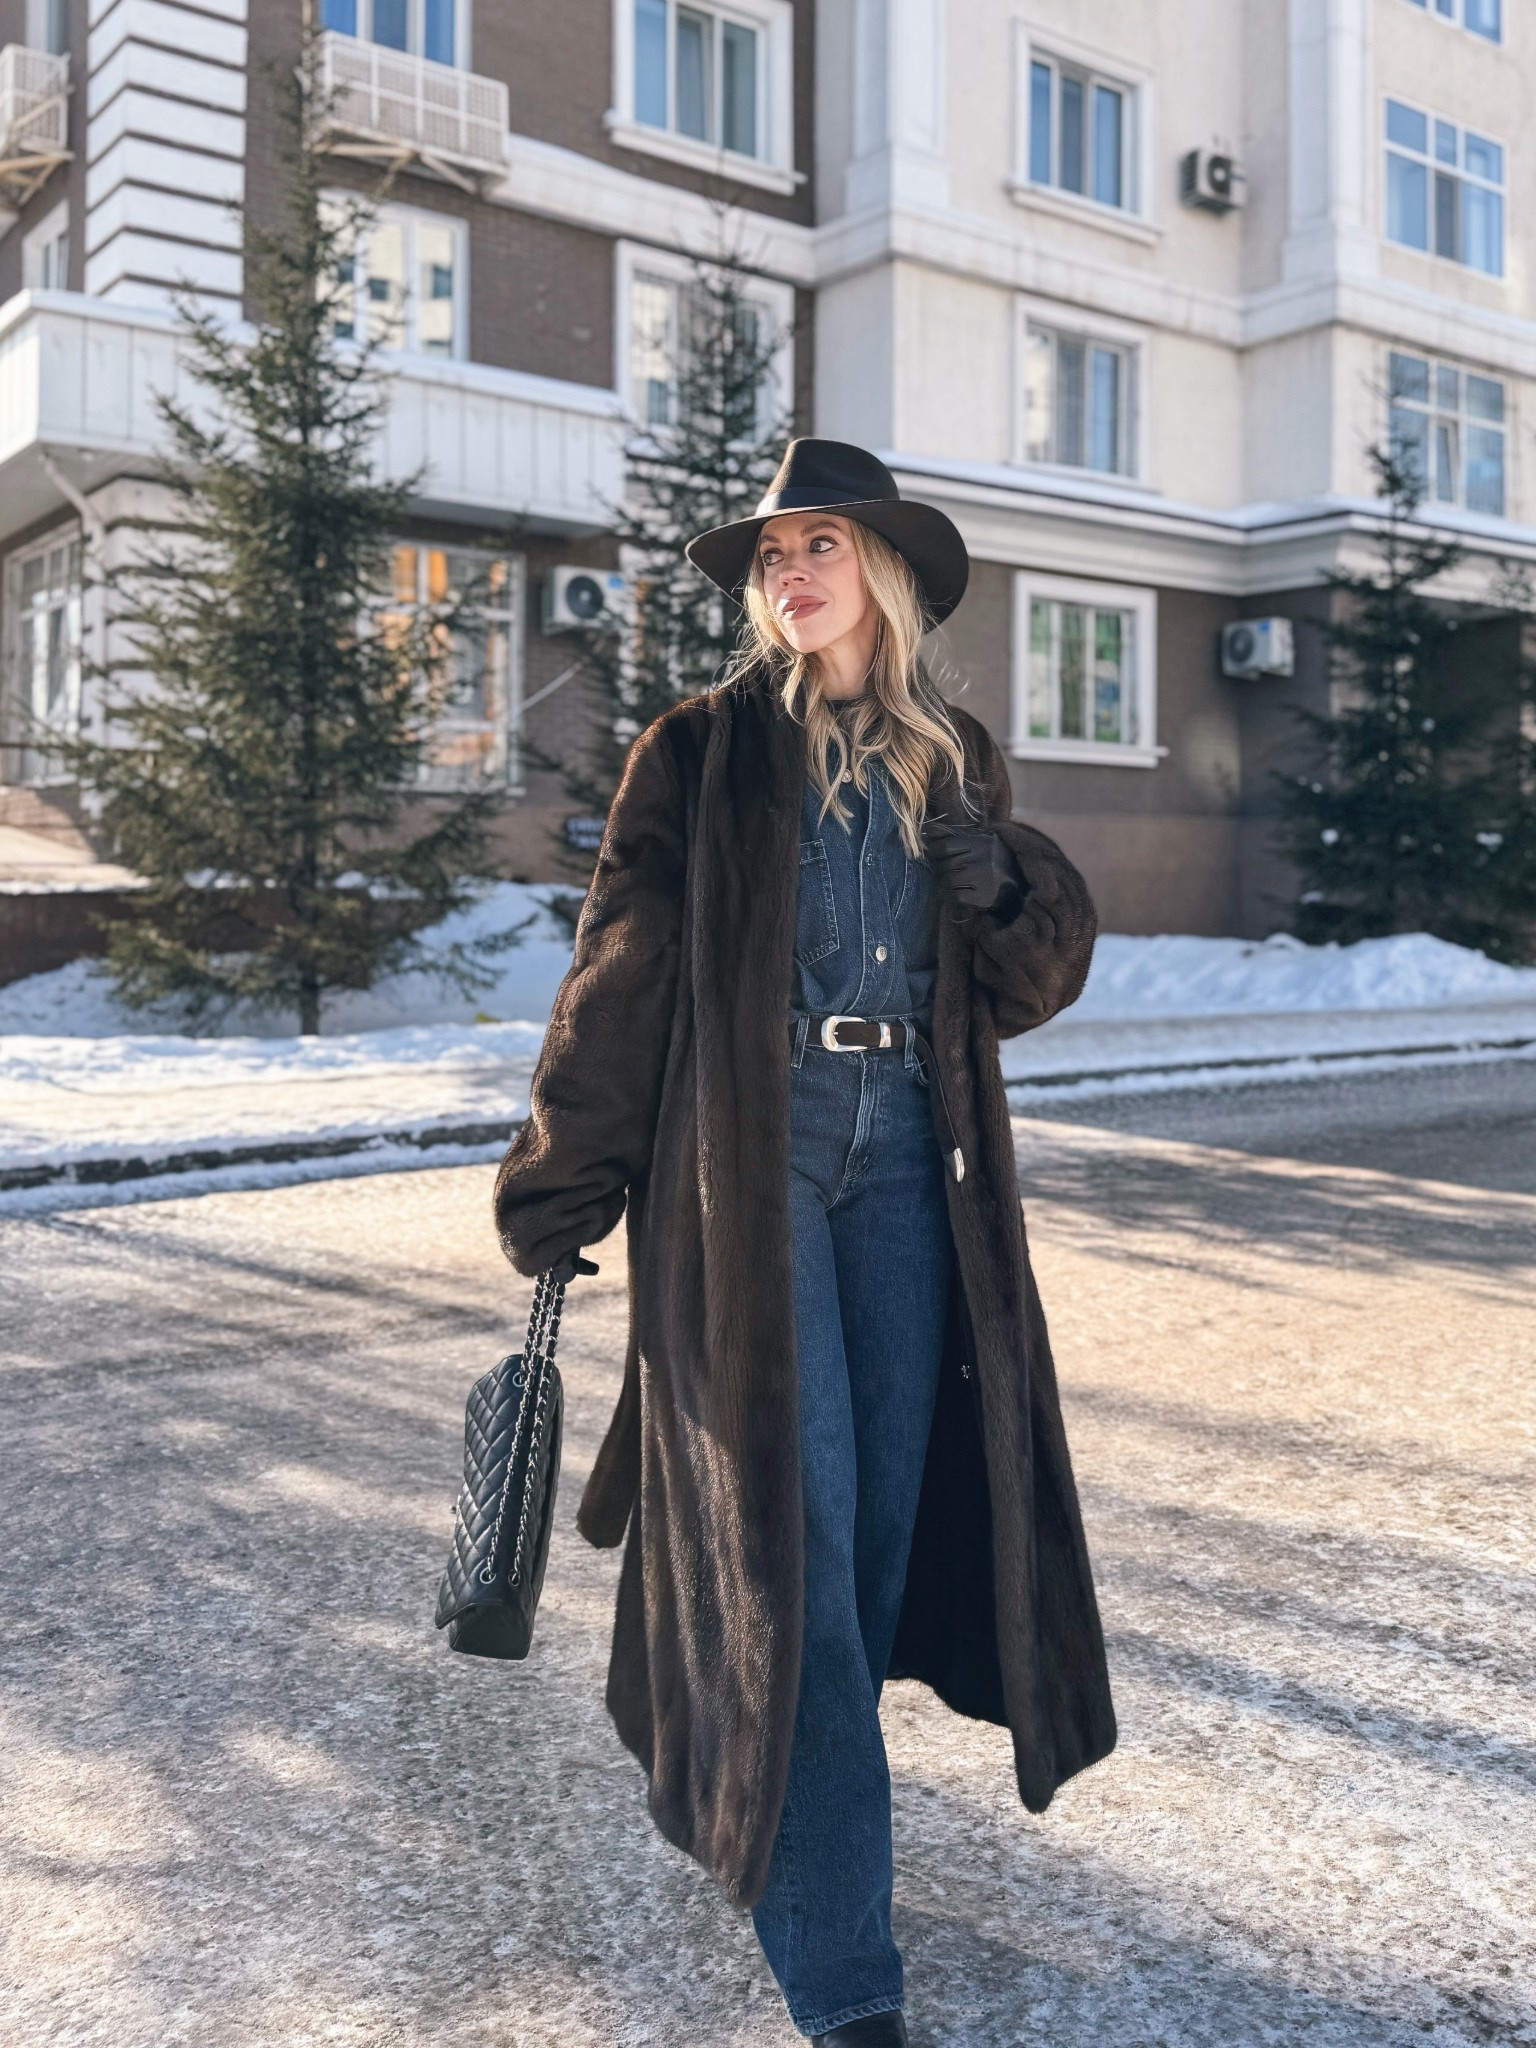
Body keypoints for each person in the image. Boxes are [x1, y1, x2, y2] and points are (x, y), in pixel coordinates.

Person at [495, 439, 1116, 2045]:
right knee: (795, 1554)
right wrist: (565, 1183)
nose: (790, 571)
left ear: (882, 569)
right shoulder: (701, 751)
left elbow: (1028, 990)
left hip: (913, 1165)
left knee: (879, 1544)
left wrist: (1003, 889)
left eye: (819, 543)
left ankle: (777, 1787)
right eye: (774, 553)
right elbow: (621, 968)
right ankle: (847, 1975)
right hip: (751, 1167)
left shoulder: (950, 757)